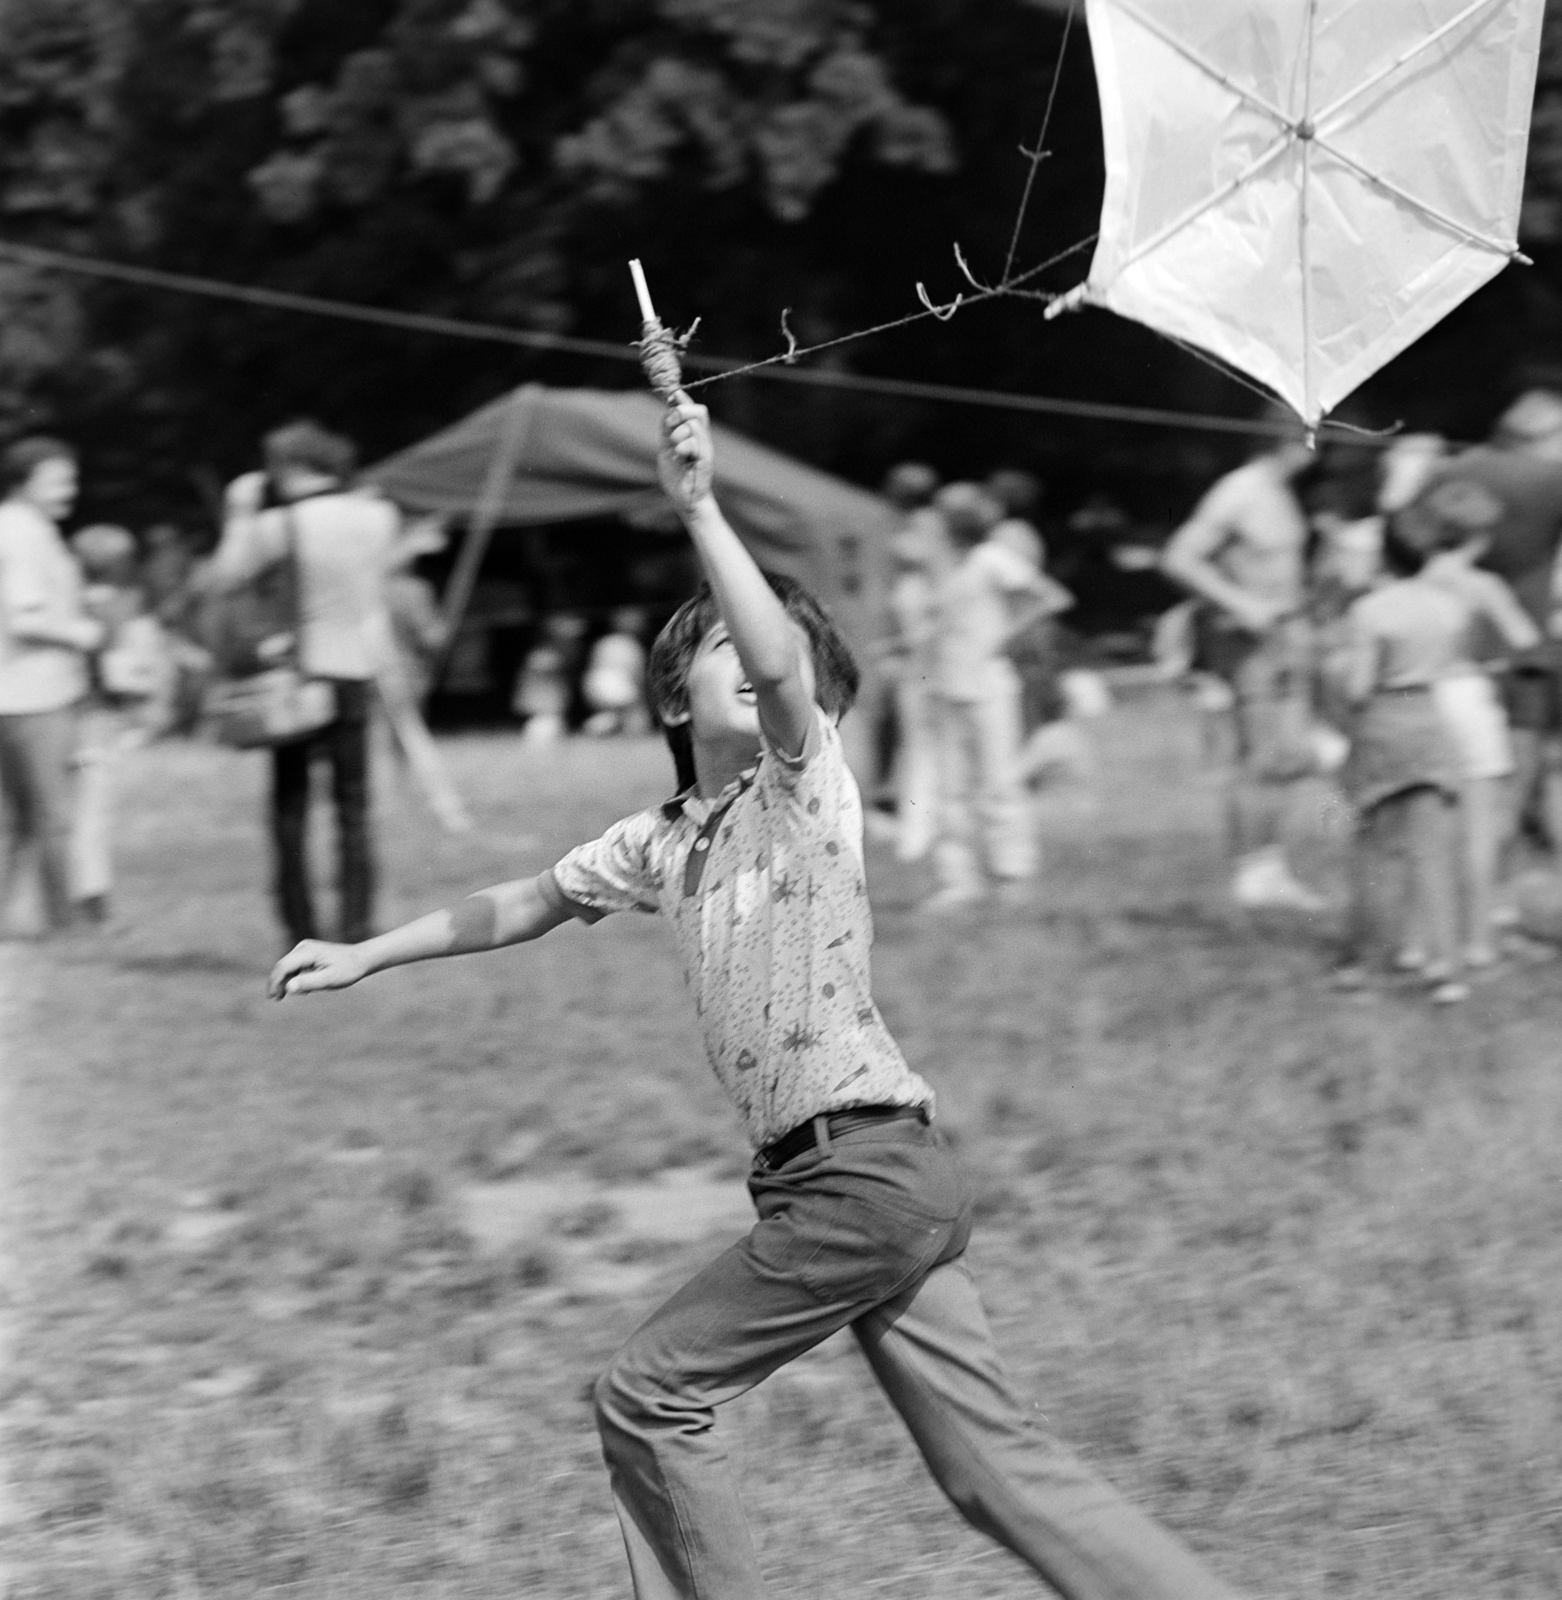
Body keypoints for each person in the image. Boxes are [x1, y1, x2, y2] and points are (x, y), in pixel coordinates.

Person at [269, 392, 1247, 1600]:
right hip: (871, 1174)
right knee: (993, 1470)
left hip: (863, 1171)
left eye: (776, 655)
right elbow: (525, 899)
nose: (761, 657)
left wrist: (698, 506)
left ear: (813, 712)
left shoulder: (802, 787)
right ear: (675, 699)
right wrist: (369, 951)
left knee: (647, 1391)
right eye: (725, 645)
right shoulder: (663, 836)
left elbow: (780, 664)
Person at [1330, 495, 1527, 1004]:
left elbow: (1357, 686)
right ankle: (1449, 968)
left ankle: (1372, 965)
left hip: (1385, 722)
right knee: (1434, 849)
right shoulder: (1450, 606)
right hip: (1432, 720)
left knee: (1378, 849)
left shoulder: (1371, 610)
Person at [209, 420, 398, 947]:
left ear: (284, 466)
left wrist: (239, 513)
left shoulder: (276, 524)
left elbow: (224, 577)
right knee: (353, 808)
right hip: (357, 671)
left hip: (297, 679)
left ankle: (300, 929)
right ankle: (357, 925)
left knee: (290, 809)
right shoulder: (379, 515)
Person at [1162, 432, 1327, 911]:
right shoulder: (1240, 490)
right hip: (1249, 644)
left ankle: (1273, 869)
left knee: (1290, 757)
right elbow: (1180, 557)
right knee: (1261, 758)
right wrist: (1241, 603)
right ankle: (1252, 873)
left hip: (1286, 639)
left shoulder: (1278, 490)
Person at [1415, 390, 1562, 857]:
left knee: (1448, 781)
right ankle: (1493, 894)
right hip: (1522, 649)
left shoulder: (1452, 470)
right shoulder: (1552, 479)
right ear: (1544, 435)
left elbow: (1403, 535)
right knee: (1511, 780)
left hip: (1444, 652)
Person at [925, 482, 1058, 909]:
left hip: (990, 685)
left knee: (999, 783)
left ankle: (1012, 873)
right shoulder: (948, 565)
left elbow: (1047, 598)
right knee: (950, 788)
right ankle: (958, 880)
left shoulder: (991, 559)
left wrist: (1004, 637)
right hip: (949, 684)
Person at [67, 523, 171, 924]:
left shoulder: (66, 601)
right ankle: (91, 904)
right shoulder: (129, 607)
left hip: (58, 714)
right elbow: (133, 677)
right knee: (90, 816)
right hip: (99, 720)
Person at [582, 606, 651, 736]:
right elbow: (636, 674)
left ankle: (596, 726)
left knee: (614, 715)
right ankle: (596, 728)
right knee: (634, 716)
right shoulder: (632, 644)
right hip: (617, 683)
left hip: (595, 682)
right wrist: (642, 697)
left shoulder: (604, 641)